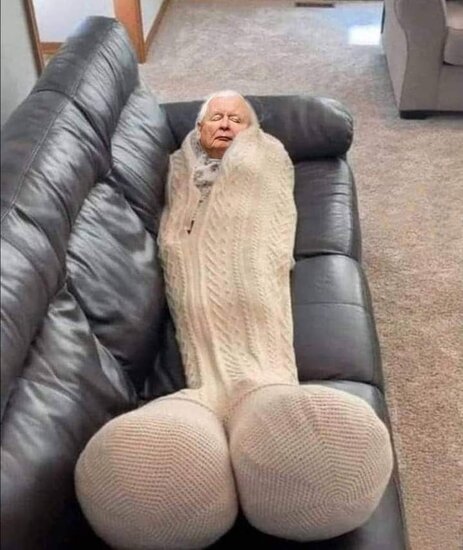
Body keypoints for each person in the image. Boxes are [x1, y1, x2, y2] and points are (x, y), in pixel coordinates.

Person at [74, 91, 394, 550]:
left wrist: (247, 151)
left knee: (250, 289)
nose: (225, 123)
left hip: (251, 259)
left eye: (238, 119)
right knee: (150, 464)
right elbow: (178, 218)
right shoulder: (181, 164)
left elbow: (266, 194)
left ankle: (264, 403)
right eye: (215, 117)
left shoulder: (266, 152)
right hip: (194, 288)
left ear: (255, 131)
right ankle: (208, 419)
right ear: (196, 130)